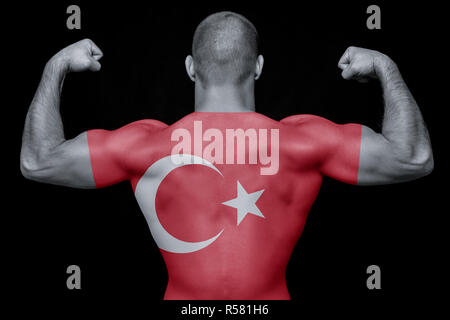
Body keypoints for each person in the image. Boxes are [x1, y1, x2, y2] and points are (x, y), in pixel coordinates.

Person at [20, 11, 433, 300]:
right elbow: (413, 158)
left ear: (190, 67)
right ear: (257, 67)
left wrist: (56, 66)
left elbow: (38, 161)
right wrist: (384, 66)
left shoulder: (144, 145)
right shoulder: (302, 140)